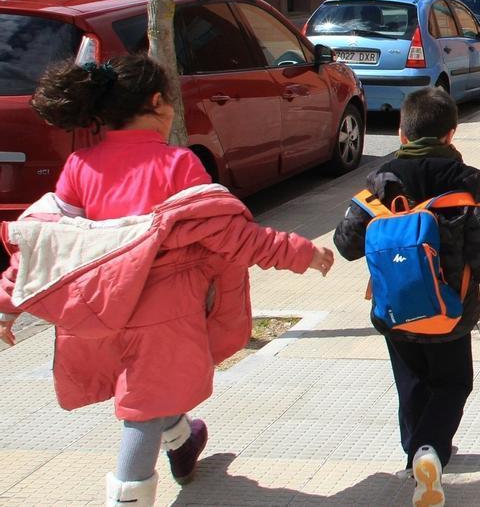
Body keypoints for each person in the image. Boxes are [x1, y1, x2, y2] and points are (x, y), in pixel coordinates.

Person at [0, 54, 333, 507]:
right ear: (158, 102)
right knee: (141, 409)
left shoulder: (81, 165)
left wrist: (7, 303)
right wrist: (304, 253)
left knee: (150, 391)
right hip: (165, 316)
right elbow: (232, 237)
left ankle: (183, 439)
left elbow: (47, 242)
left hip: (100, 312)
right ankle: (129, 497)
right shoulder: (179, 165)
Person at [333, 87, 480, 507]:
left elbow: (346, 243)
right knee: (452, 382)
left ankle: (415, 458)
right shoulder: (466, 181)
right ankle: (430, 449)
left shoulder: (381, 181)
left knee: (411, 383)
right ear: (451, 134)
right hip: (451, 309)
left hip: (395, 311)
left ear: (403, 135)